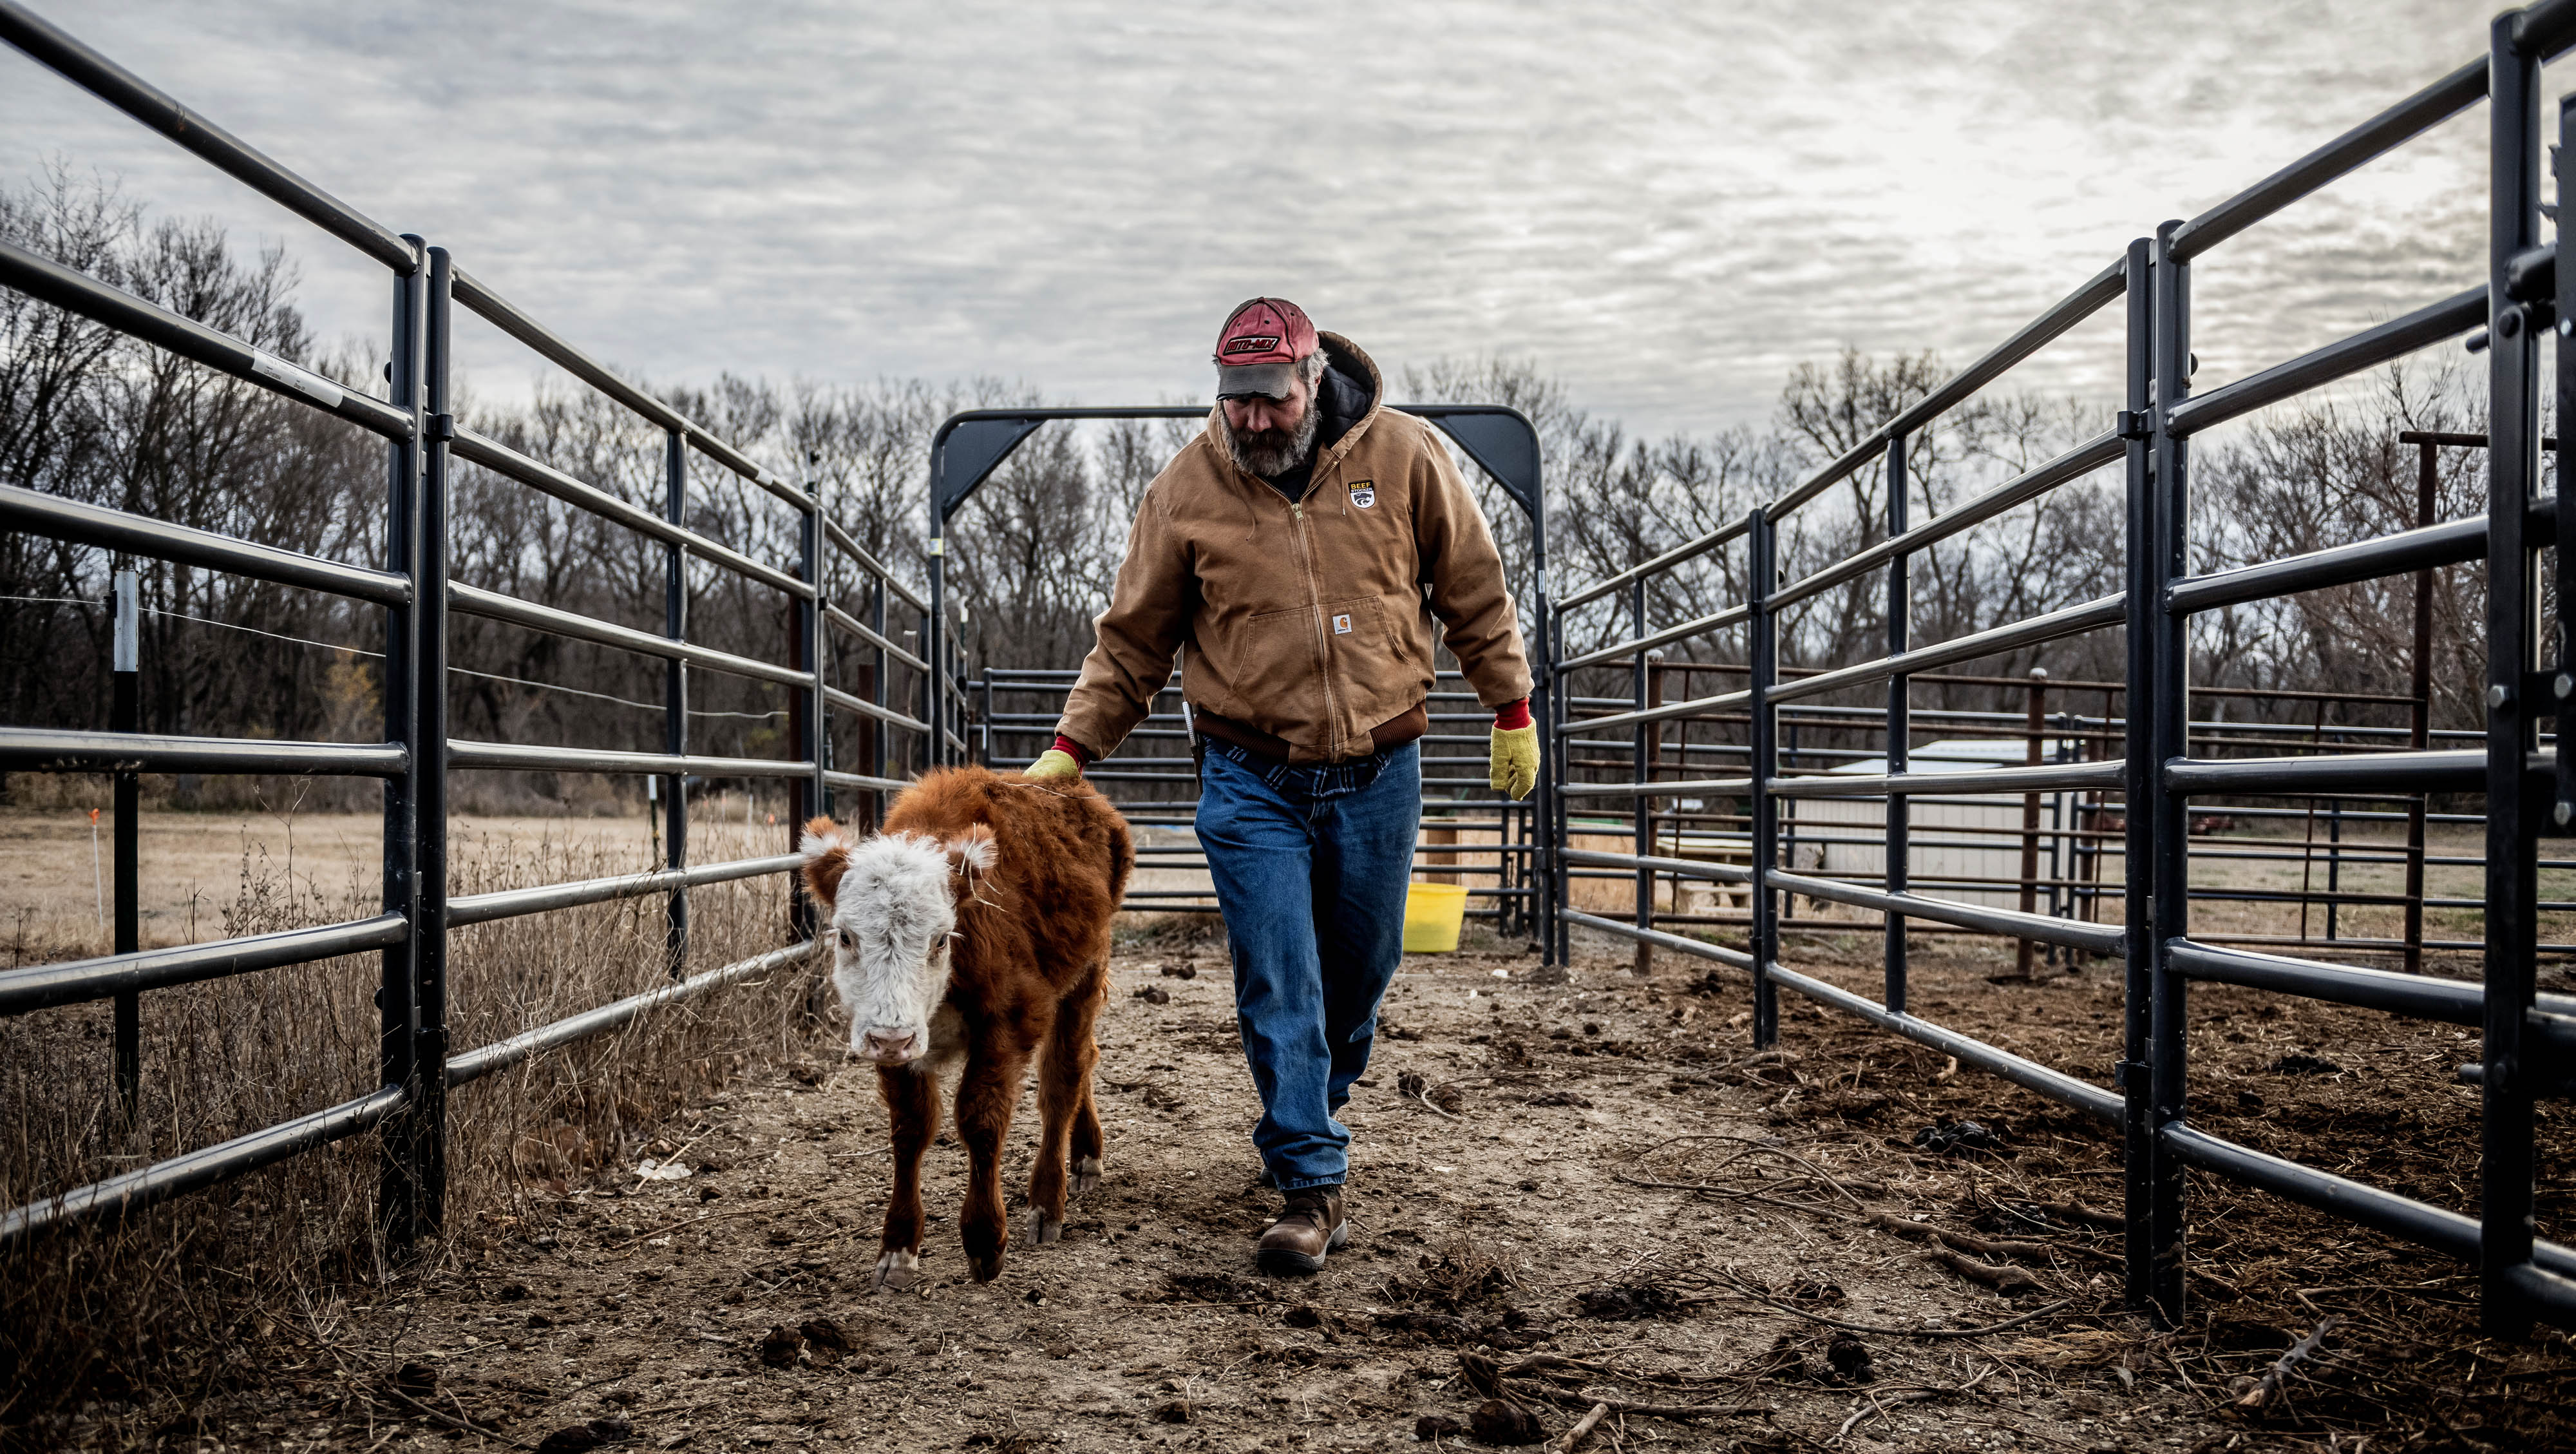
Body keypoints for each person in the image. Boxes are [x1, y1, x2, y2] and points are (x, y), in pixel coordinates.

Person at [1025, 297, 1537, 1274]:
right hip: (1249, 773)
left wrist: (1510, 705)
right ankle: (1309, 1179)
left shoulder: (1407, 456)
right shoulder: (1186, 491)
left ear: (1312, 381)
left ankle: (1316, 1101)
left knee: (1360, 974)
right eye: (1234, 400)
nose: (1251, 419)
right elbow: (1134, 641)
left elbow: (1472, 585)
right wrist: (1071, 747)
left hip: (1380, 770)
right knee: (1280, 978)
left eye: (1270, 399)